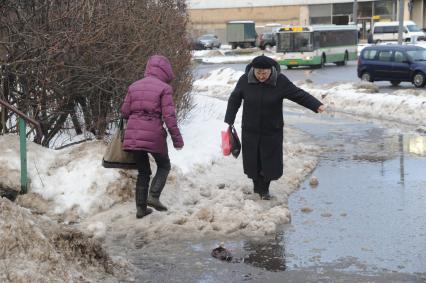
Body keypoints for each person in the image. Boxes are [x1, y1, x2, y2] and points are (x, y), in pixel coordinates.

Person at [224, 55, 325, 200]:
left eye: (264, 73)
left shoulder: (280, 81)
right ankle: (256, 187)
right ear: (253, 70)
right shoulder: (245, 80)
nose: (261, 76)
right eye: (258, 73)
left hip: (272, 130)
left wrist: (316, 105)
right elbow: (234, 99)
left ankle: (264, 190)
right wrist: (229, 119)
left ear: (271, 70)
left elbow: (298, 95)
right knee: (253, 161)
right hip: (250, 130)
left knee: (268, 162)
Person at [121, 55, 184, 218]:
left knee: (143, 172)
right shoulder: (164, 88)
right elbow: (170, 117)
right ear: (165, 71)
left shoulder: (134, 86)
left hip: (133, 134)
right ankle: (153, 196)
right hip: (153, 133)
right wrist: (177, 139)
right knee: (164, 165)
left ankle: (141, 209)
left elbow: (124, 112)